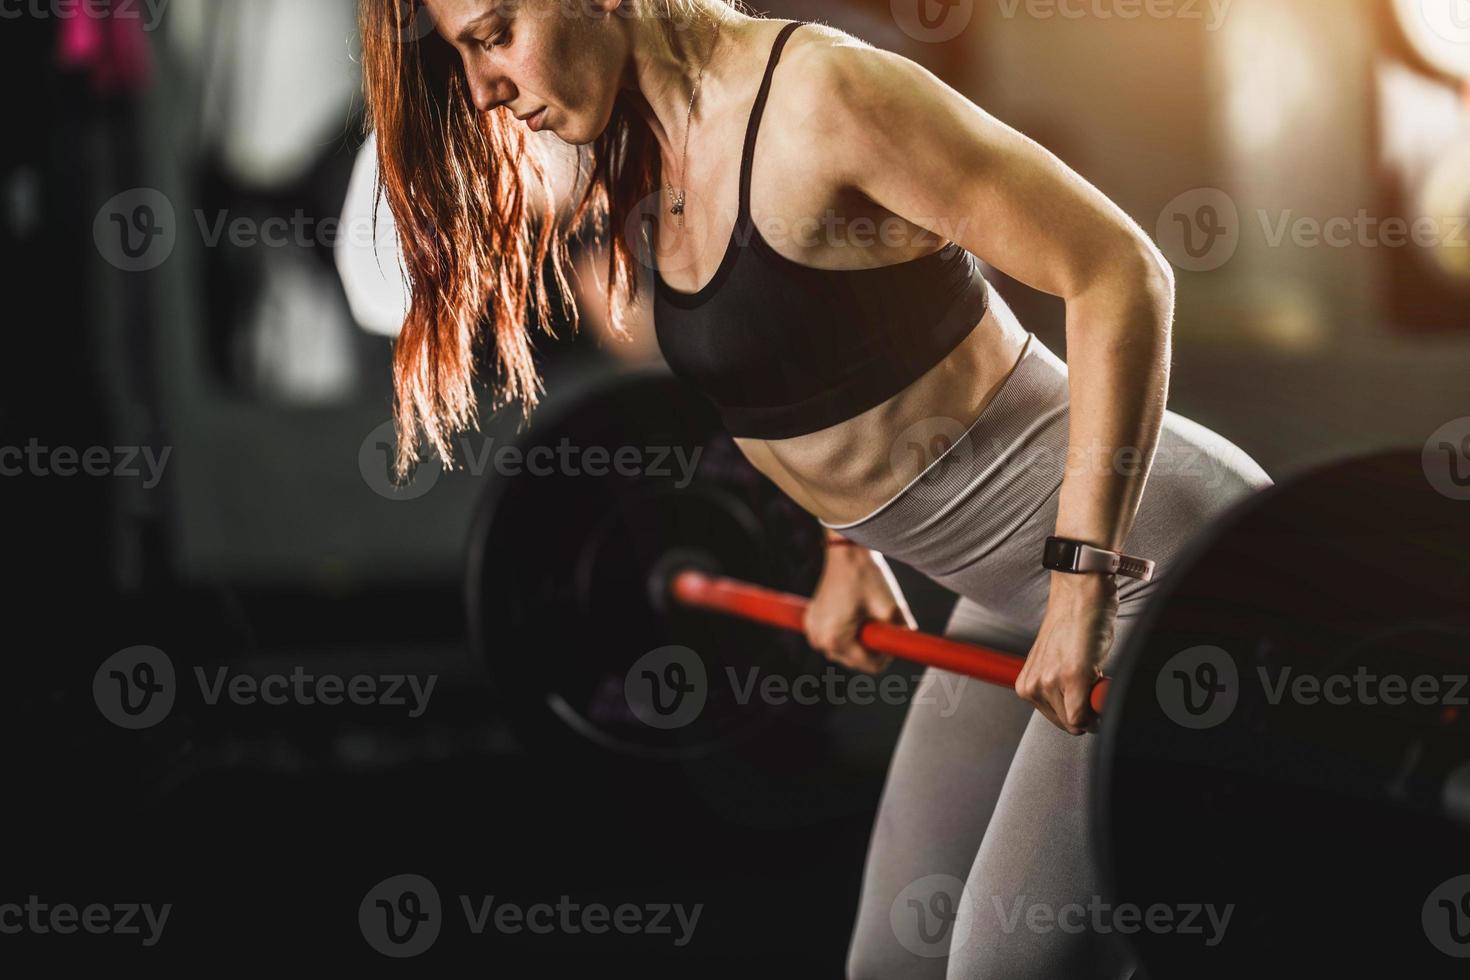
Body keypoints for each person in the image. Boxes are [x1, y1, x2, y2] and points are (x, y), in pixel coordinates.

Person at [358, 2, 1273, 976]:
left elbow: (1119, 271)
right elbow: (819, 357)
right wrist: (847, 543)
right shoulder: (653, 145)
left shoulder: (822, 96)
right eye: (465, 53)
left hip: (1153, 566)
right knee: (891, 961)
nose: (484, 86)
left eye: (493, 34)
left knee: (1002, 966)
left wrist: (1085, 577)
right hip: (1017, 592)